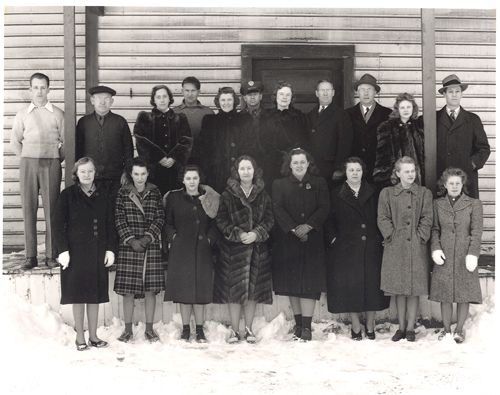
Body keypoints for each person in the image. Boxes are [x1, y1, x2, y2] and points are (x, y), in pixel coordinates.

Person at [53, 157, 117, 350]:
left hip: (97, 252)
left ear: (95, 173)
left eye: (90, 171)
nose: (87, 175)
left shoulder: (103, 195)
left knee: (95, 294)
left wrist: (111, 249)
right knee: (79, 295)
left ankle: (94, 336)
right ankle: (80, 337)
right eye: (83, 172)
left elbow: (110, 224)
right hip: (75, 253)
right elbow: (57, 225)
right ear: (76, 174)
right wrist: (62, 250)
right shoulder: (68, 195)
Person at [325, 157, 390, 340]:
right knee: (349, 287)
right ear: (345, 172)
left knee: (372, 286)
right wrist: (334, 239)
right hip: (346, 248)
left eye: (358, 170)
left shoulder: (373, 192)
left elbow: (382, 216)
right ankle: (355, 324)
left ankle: (370, 324)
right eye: (351, 170)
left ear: (363, 172)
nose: (355, 173)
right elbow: (328, 220)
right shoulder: (336, 193)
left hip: (371, 246)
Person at [214, 156, 274, 343]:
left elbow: (270, 219)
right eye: (242, 168)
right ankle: (234, 330)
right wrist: (237, 233)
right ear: (236, 171)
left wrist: (257, 233)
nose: (246, 172)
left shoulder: (263, 194)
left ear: (254, 171)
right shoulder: (227, 195)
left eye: (249, 168)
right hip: (234, 251)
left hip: (257, 249)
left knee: (253, 292)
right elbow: (221, 220)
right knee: (234, 292)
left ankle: (248, 329)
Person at [272, 148, 329, 341]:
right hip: (289, 240)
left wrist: (309, 226)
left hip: (312, 239)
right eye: (295, 162)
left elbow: (324, 207)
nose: (299, 165)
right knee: (292, 283)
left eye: (302, 162)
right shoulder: (279, 184)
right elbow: (277, 208)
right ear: (289, 164)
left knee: (309, 284)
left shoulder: (319, 183)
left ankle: (307, 327)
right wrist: (293, 228)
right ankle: (298, 325)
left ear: (308, 163)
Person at [10, 72, 64, 269]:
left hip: (51, 163)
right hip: (28, 164)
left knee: (52, 211)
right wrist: (26, 158)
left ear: (49, 89)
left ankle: (51, 255)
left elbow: (65, 142)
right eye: (36, 87)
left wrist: (56, 159)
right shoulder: (22, 114)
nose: (39, 91)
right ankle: (30, 256)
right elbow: (14, 142)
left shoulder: (57, 113)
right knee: (28, 209)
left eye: (43, 87)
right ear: (30, 90)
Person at [377, 156, 433, 342]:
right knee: (398, 288)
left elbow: (427, 218)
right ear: (398, 173)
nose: (410, 175)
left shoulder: (424, 193)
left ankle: (410, 328)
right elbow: (382, 217)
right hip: (395, 247)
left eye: (413, 171)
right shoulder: (387, 193)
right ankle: (400, 327)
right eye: (406, 171)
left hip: (416, 247)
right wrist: (391, 235)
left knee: (414, 288)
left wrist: (420, 236)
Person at [163, 165, 220, 343]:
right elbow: (167, 222)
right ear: (183, 180)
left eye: (195, 178)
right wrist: (173, 237)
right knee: (184, 291)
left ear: (199, 179)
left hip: (202, 249)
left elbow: (215, 222)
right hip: (181, 250)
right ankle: (186, 329)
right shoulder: (173, 198)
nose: (192, 182)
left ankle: (200, 330)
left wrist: (209, 239)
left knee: (200, 291)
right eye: (188, 178)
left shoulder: (208, 198)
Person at [114, 157, 165, 343]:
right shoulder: (123, 193)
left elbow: (160, 217)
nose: (140, 178)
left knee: (150, 290)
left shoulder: (155, 192)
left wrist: (148, 237)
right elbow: (119, 219)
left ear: (148, 174)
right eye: (136, 174)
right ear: (131, 174)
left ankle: (149, 329)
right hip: (130, 247)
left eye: (143, 174)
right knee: (128, 290)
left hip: (149, 246)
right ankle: (127, 330)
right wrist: (130, 239)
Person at [430, 168, 483, 344]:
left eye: (457, 183)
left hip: (464, 254)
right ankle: (446, 330)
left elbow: (477, 231)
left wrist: (473, 254)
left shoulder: (474, 204)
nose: (454, 186)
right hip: (444, 254)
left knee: (463, 293)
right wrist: (435, 249)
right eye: (451, 183)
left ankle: (459, 330)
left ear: (462, 185)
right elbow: (435, 229)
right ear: (445, 185)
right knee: (445, 294)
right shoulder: (437, 204)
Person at [75, 85, 133, 204]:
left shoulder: (120, 122)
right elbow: (78, 151)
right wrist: (79, 173)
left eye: (106, 98)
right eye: (98, 98)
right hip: (90, 177)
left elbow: (128, 150)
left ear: (111, 101)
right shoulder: (83, 122)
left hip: (115, 177)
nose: (102, 102)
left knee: (112, 210)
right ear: (92, 100)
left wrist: (126, 172)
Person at [436, 74, 490, 198]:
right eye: (450, 91)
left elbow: (484, 149)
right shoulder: (434, 118)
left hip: (466, 178)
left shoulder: (473, 119)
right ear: (444, 94)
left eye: (457, 91)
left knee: (467, 213)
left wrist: (471, 164)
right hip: (441, 178)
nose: (454, 95)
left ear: (461, 94)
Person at [134, 84, 193, 195]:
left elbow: (186, 140)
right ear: (153, 100)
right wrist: (159, 157)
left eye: (165, 96)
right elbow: (141, 140)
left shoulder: (180, 118)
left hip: (175, 170)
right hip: (154, 170)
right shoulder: (145, 118)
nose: (162, 100)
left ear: (169, 98)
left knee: (174, 200)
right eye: (158, 97)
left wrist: (173, 157)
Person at [194, 87, 253, 193]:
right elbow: (203, 148)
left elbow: (250, 145)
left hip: (238, 171)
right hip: (216, 172)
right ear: (218, 102)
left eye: (229, 100)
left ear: (234, 101)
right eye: (223, 100)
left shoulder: (244, 119)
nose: (226, 103)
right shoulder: (210, 121)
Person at [260, 81, 309, 191]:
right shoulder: (265, 116)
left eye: (288, 95)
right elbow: (261, 140)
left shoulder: (299, 116)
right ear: (275, 96)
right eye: (281, 94)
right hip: (271, 163)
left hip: (292, 164)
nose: (284, 97)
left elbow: (303, 139)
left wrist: (290, 156)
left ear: (292, 98)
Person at [306, 79, 353, 187]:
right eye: (322, 90)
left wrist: (340, 169)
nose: (325, 93)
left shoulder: (341, 115)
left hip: (331, 169)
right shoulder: (310, 115)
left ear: (333, 93)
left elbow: (345, 143)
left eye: (328, 90)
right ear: (317, 93)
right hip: (313, 169)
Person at [346, 74, 391, 184]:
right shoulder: (347, 114)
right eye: (362, 89)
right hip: (355, 168)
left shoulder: (387, 114)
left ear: (375, 92)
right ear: (357, 92)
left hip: (378, 169)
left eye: (369, 89)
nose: (366, 93)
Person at [373, 93, 425, 188]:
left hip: (416, 174)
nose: (406, 110)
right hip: (396, 175)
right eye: (402, 107)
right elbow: (382, 155)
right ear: (397, 109)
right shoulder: (387, 127)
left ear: (413, 108)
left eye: (408, 107)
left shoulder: (419, 126)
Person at [174, 76, 214, 141]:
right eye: (187, 90)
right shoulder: (174, 112)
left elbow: (212, 138)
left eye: (193, 91)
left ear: (198, 92)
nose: (190, 94)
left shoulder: (208, 112)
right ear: (182, 91)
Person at [240, 80, 267, 167]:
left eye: (255, 94)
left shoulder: (270, 116)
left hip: (266, 160)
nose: (252, 97)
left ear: (260, 96)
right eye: (249, 95)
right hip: (245, 162)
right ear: (244, 98)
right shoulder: (238, 118)